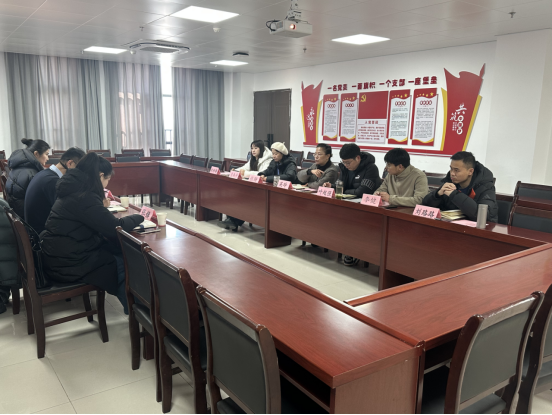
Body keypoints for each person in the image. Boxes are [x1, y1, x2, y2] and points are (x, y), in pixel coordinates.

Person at [41, 153, 144, 313]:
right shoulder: (84, 196)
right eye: (107, 179)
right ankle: (138, 313)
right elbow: (115, 227)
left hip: (59, 254)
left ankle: (139, 309)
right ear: (100, 175)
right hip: (68, 263)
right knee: (123, 266)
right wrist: (140, 216)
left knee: (118, 252)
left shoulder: (74, 188)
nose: (106, 184)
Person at [323, 144, 381, 267]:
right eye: (343, 162)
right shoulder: (344, 168)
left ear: (358, 158)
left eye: (348, 162)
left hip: (367, 210)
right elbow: (340, 186)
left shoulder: (371, 168)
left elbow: (362, 192)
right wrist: (332, 186)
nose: (346, 165)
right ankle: (333, 243)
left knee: (351, 221)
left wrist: (342, 190)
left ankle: (354, 251)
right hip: (348, 205)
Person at [422, 151, 498, 223]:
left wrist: (455, 195)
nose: (452, 173)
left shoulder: (486, 187)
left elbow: (483, 216)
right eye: (451, 169)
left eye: (456, 170)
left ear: (470, 171)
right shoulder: (450, 182)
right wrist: (437, 195)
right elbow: (424, 206)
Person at [25, 147, 86, 234]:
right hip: (42, 235)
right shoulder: (53, 182)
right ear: (70, 163)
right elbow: (67, 212)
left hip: (38, 230)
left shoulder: (45, 174)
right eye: (81, 169)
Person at [5, 138, 50, 218]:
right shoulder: (33, 174)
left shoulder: (17, 168)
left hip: (18, 214)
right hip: (27, 218)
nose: (48, 158)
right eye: (46, 154)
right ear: (36, 154)